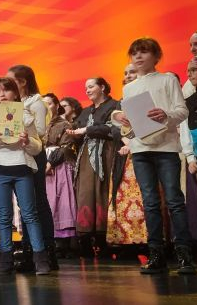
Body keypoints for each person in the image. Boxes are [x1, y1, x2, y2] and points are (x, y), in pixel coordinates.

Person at [113, 37, 195, 274]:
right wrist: (120, 118)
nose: (138, 57)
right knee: (150, 202)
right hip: (140, 149)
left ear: (156, 56)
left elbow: (182, 111)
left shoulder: (167, 79)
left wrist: (165, 115)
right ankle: (156, 253)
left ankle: (184, 254)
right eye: (134, 53)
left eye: (144, 52)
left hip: (166, 148)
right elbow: (127, 124)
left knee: (174, 200)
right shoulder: (129, 87)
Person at [0, 77, 50, 275]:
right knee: (3, 216)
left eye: (6, 90)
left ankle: (41, 259)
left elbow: (37, 147)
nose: (2, 95)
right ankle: (6, 261)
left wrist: (27, 141)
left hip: (22, 167)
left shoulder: (25, 116)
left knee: (30, 214)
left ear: (15, 93)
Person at [7, 65, 56, 270]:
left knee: (38, 203)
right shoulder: (15, 103)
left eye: (12, 82)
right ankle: (28, 249)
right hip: (19, 154)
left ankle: (47, 251)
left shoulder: (37, 102)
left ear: (23, 81)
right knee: (24, 203)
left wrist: (23, 118)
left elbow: (41, 131)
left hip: (35, 153)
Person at [67, 77, 118, 256]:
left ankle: (105, 240)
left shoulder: (115, 106)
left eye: (91, 86)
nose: (87, 90)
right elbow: (78, 130)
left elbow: (114, 128)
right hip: (86, 155)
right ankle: (86, 240)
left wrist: (88, 130)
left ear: (102, 87)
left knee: (102, 191)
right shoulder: (86, 111)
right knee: (86, 193)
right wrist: (73, 133)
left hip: (106, 154)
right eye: (85, 88)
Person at [106, 64, 147, 247]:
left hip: (146, 149)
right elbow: (114, 128)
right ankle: (125, 240)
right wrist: (127, 142)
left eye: (132, 72)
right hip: (124, 154)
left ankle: (149, 241)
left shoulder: (147, 95)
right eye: (125, 73)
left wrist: (134, 143)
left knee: (146, 197)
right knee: (123, 199)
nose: (128, 75)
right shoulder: (120, 101)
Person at [42, 93, 77, 255]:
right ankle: (50, 242)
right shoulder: (39, 125)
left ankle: (65, 243)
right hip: (43, 165)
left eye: (49, 103)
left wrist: (50, 162)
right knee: (47, 203)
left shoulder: (64, 124)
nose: (46, 107)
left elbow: (65, 147)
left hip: (60, 165)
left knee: (62, 202)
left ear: (57, 105)